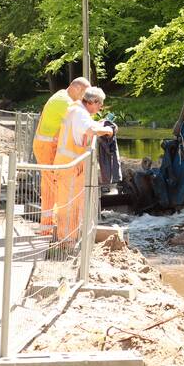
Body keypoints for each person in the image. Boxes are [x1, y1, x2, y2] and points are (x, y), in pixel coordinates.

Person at [52, 86, 114, 245]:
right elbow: (89, 129)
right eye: (100, 104)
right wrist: (106, 130)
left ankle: (68, 238)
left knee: (71, 203)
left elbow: (86, 127)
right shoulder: (79, 113)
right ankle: (67, 241)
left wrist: (98, 125)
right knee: (69, 205)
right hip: (70, 166)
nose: (100, 107)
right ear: (92, 101)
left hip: (70, 165)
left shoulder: (77, 110)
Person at [32, 77, 90, 234]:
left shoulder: (61, 96)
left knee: (50, 185)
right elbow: (81, 119)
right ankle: (59, 225)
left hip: (46, 146)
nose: (86, 99)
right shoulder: (66, 103)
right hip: (47, 147)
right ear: (77, 89)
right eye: (85, 94)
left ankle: (48, 225)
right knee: (55, 184)